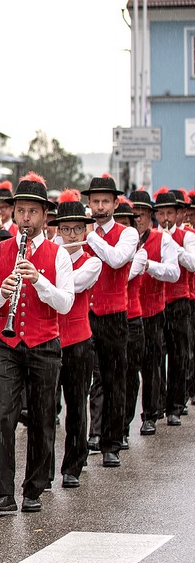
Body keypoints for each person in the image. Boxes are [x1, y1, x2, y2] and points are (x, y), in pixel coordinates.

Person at [0, 172, 74, 514]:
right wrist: (1, 292)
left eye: (33, 212)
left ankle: (34, 488)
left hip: (45, 343)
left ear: (45, 216)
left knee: (42, 416)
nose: (26, 218)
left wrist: (40, 282)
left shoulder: (57, 254)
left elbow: (65, 302)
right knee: (1, 415)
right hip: (4, 343)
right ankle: (3, 492)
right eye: (21, 211)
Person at [81, 175, 138, 467]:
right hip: (84, 313)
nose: (100, 206)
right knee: (87, 379)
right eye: (95, 201)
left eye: (105, 201)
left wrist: (91, 236)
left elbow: (116, 260)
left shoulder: (127, 233)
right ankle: (92, 434)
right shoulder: (82, 232)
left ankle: (112, 442)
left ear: (116, 203)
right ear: (88, 203)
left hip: (114, 315)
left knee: (115, 377)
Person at [50, 191, 101, 489]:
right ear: (58, 230)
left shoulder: (92, 262)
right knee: (45, 407)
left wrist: (47, 270)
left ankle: (73, 464)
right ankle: (42, 471)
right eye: (65, 229)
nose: (70, 234)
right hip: (50, 340)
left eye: (76, 229)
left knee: (76, 405)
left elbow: (72, 285)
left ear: (85, 231)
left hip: (79, 341)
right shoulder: (46, 257)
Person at [126, 191, 177, 433]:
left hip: (153, 310)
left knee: (152, 364)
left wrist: (149, 266)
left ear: (150, 216)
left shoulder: (162, 239)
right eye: (133, 215)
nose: (138, 220)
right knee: (127, 368)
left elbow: (173, 272)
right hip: (128, 313)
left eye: (142, 215)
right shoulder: (122, 240)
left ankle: (150, 414)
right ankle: (123, 421)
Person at [152, 189, 194, 427]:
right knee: (156, 356)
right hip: (158, 303)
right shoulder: (151, 237)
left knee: (179, 355)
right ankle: (157, 404)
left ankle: (175, 406)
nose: (165, 218)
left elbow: (193, 262)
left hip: (179, 302)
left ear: (179, 214)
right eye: (162, 213)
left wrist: (172, 246)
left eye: (170, 213)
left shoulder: (187, 236)